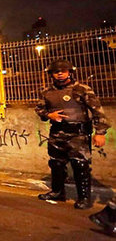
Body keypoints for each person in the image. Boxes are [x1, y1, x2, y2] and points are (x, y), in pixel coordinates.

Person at [35, 59, 110, 209]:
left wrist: (100, 132)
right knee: (56, 163)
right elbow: (39, 109)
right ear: (51, 74)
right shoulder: (47, 92)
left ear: (70, 72)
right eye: (56, 72)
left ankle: (84, 198)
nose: (60, 74)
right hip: (57, 133)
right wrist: (49, 115)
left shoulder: (81, 89)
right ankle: (57, 192)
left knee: (80, 165)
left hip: (78, 135)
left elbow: (97, 111)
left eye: (63, 71)